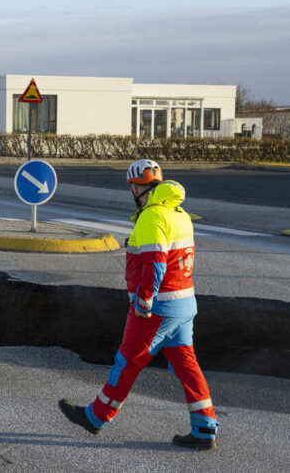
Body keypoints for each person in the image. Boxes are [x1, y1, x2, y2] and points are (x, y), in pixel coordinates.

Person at [58, 159, 219, 452]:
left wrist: (144, 301)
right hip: (184, 304)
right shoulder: (179, 213)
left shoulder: (152, 216)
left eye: (132, 185)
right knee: (187, 366)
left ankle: (96, 416)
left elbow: (155, 263)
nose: (131, 190)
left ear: (139, 186)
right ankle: (205, 427)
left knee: (127, 361)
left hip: (158, 307)